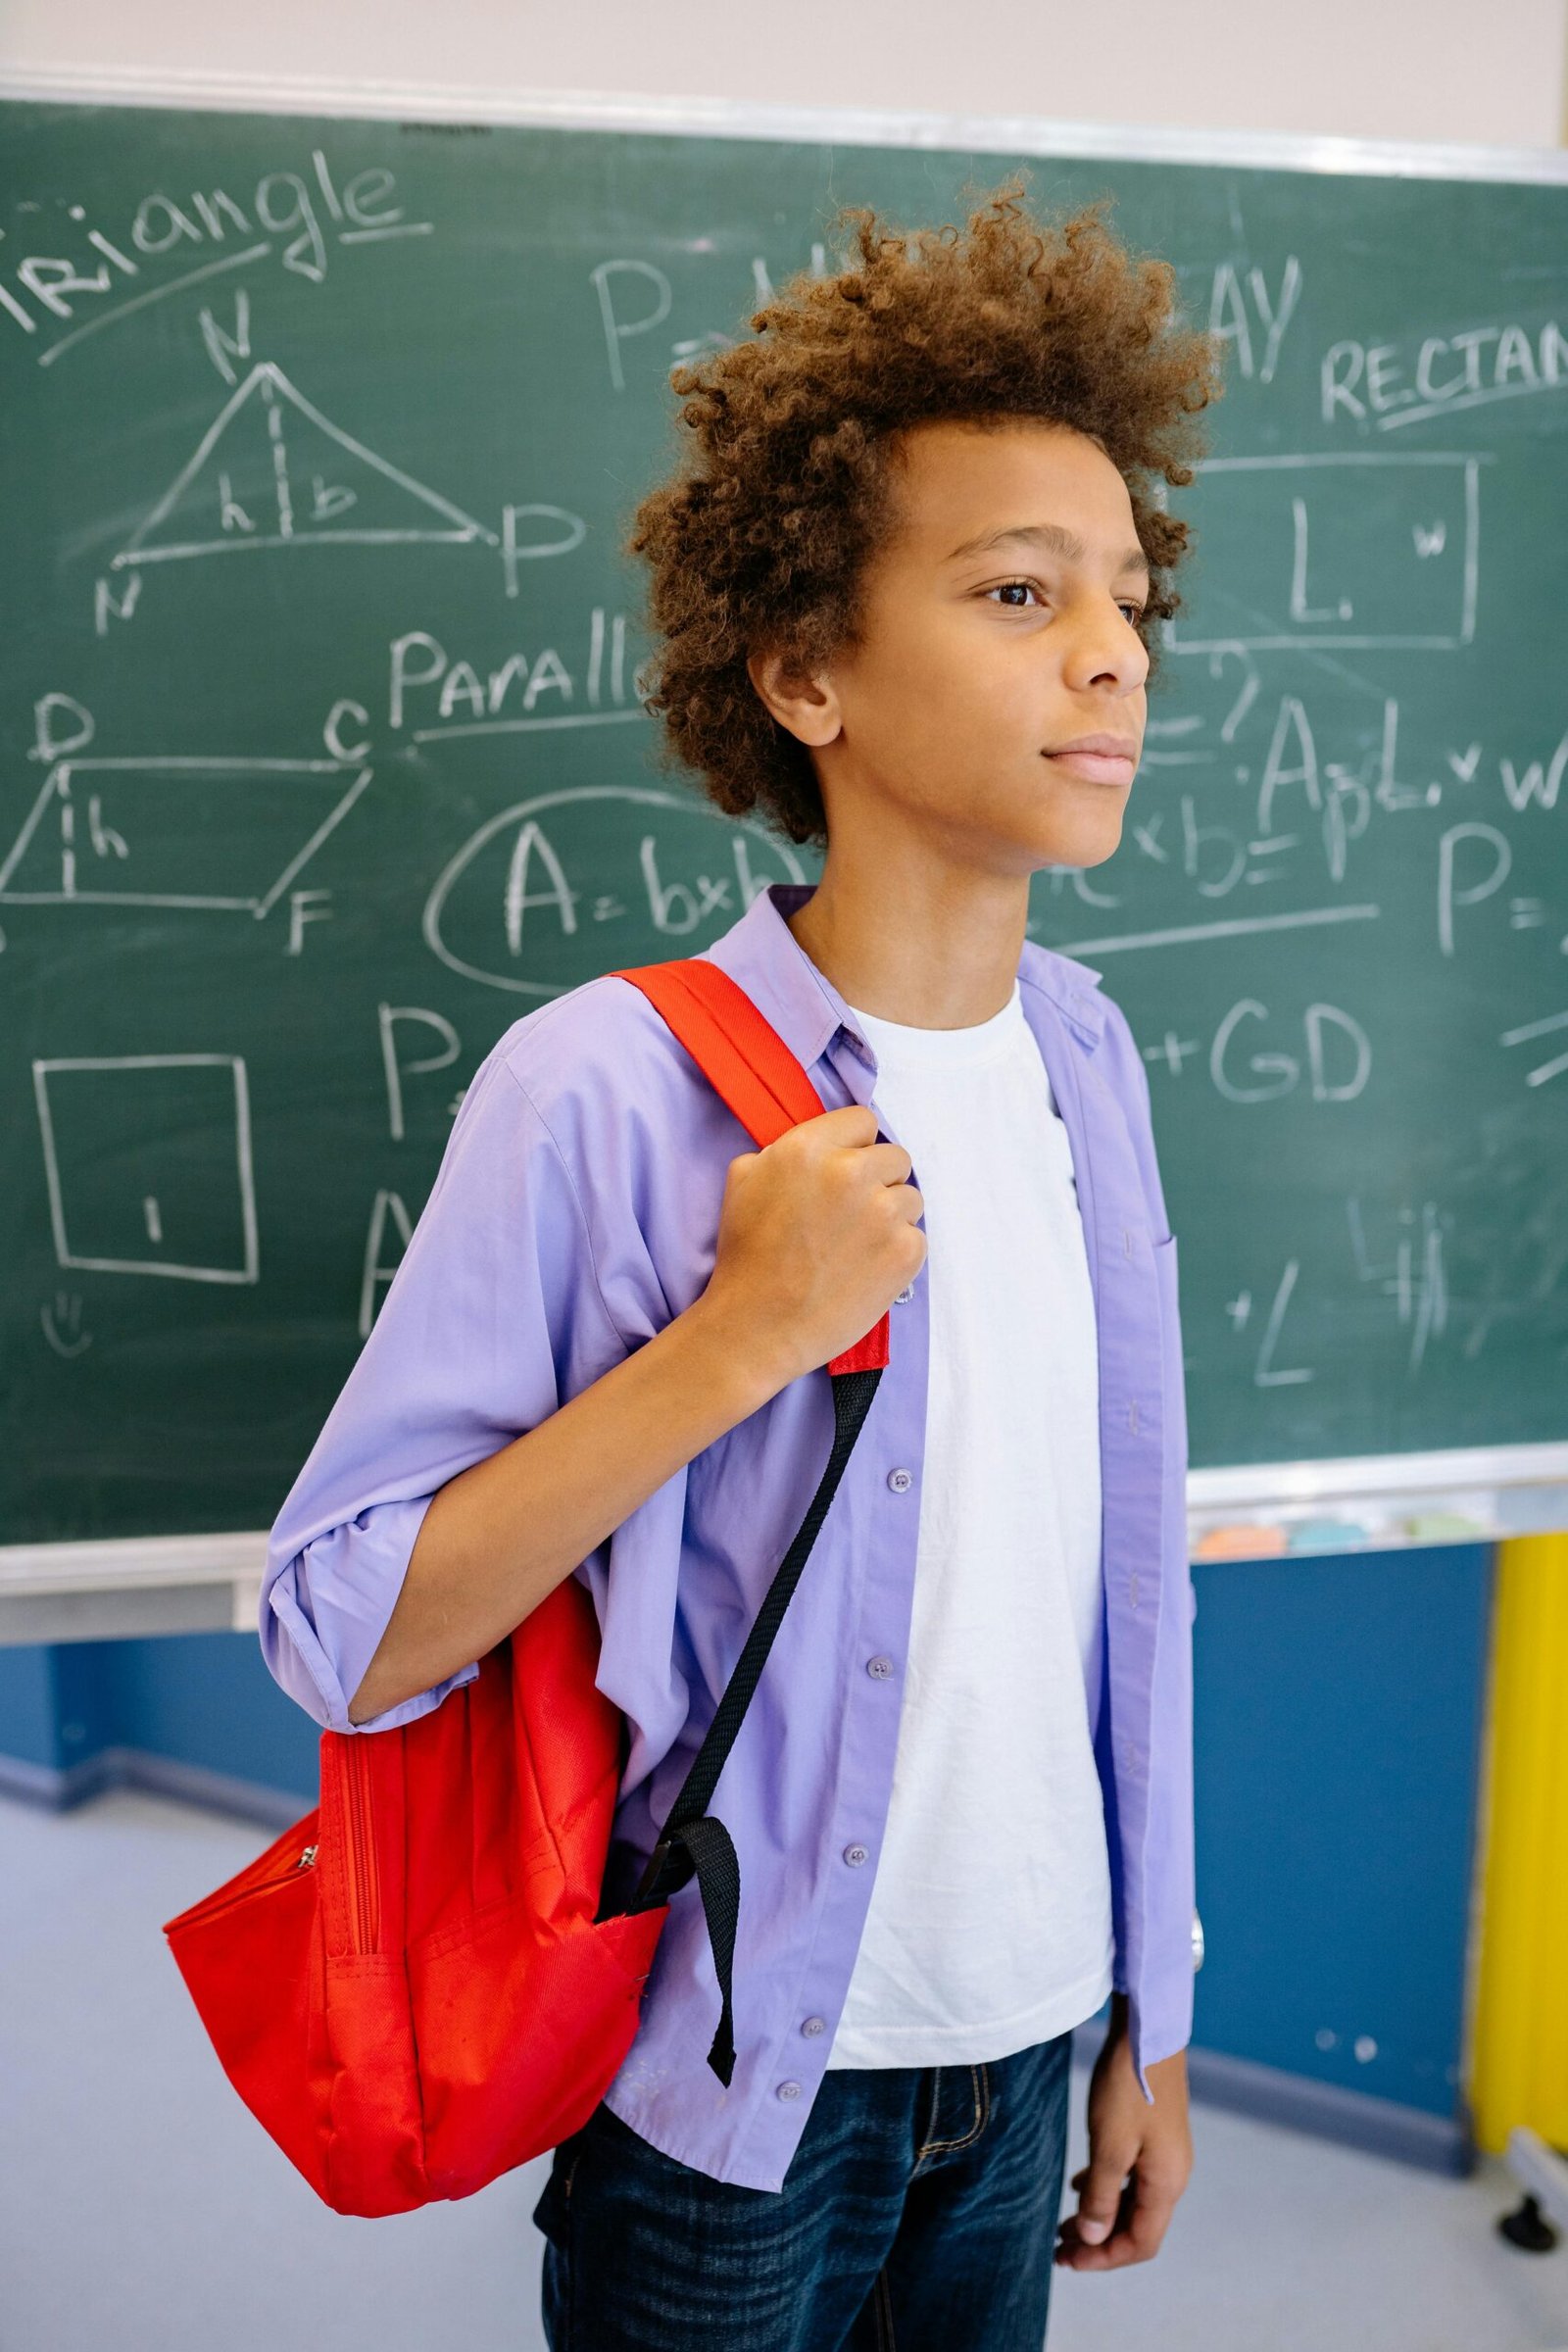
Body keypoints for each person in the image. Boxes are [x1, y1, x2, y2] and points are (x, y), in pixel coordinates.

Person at [259, 181, 1222, 2350]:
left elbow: (1117, 1578)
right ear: (804, 674)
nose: (1108, 653)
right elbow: (339, 1633)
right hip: (727, 2097)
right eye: (1012, 591)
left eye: (1125, 600)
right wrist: (741, 1338)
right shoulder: (599, 1088)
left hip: (1036, 2034)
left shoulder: (1087, 1062)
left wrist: (1145, 2011)